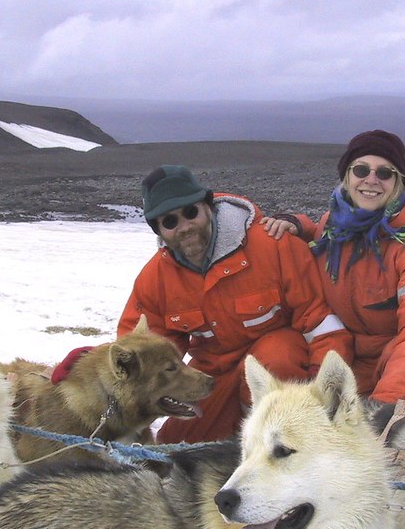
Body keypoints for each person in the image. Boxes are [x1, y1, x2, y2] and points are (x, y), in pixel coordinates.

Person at [118, 165, 353, 444]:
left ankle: (265, 444)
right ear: (158, 229)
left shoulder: (272, 246)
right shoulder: (155, 279)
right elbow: (138, 351)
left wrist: (321, 393)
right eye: (169, 221)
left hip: (280, 368)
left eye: (190, 212)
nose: (184, 226)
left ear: (209, 207)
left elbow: (320, 323)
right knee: (174, 450)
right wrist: (86, 366)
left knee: (275, 356)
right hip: (213, 375)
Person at [262, 130, 405, 405]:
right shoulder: (334, 225)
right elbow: (321, 243)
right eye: (361, 169)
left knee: (391, 428)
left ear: (399, 181)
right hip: (354, 354)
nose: (371, 180)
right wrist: (299, 227)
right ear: (347, 177)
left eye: (385, 173)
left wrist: (385, 405)